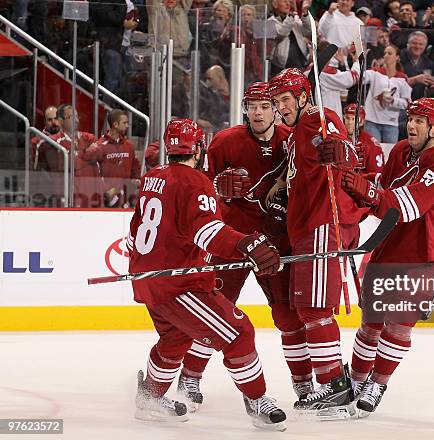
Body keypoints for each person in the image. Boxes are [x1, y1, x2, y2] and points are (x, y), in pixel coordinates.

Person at [128, 117, 287, 429]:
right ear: (198, 148)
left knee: (175, 338)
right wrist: (247, 244)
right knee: (239, 331)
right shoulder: (195, 182)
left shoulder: (151, 177)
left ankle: (149, 397)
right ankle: (256, 401)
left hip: (147, 280)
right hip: (178, 286)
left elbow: (136, 231)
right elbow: (207, 232)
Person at [190, 82, 314, 404]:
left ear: (275, 109)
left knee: (287, 314)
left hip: (273, 240)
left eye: (264, 106)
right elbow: (199, 187)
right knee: (213, 311)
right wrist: (217, 187)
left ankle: (304, 385)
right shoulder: (225, 141)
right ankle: (190, 377)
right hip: (231, 239)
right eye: (252, 106)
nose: (257, 113)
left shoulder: (291, 141)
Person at [339, 98, 434, 416]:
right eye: (411, 119)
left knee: (399, 324)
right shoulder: (400, 152)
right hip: (391, 246)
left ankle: (377, 384)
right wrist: (352, 186)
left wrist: (366, 191)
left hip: (427, 252)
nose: (412, 125)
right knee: (371, 324)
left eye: (421, 120)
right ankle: (355, 381)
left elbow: (409, 205)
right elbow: (381, 195)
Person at [268, 68, 361, 412]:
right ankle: (332, 382)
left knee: (315, 309)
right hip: (305, 228)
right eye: (277, 102)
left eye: (285, 99)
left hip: (323, 224)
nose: (281, 107)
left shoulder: (320, 118)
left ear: (304, 96)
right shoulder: (294, 135)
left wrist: (339, 151)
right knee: (306, 308)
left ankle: (334, 386)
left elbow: (348, 154)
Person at [362, 45, 412, 143]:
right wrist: (360, 60)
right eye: (385, 53)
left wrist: (394, 101)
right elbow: (360, 78)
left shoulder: (402, 78)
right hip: (372, 121)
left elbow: (408, 103)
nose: (386, 56)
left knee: (390, 155)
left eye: (389, 53)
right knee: (374, 153)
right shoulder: (375, 72)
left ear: (397, 57)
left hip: (391, 124)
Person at [92, 109, 142, 207]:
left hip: (128, 197)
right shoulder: (100, 146)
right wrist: (107, 190)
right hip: (107, 198)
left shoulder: (129, 146)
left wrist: (136, 180)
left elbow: (135, 167)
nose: (127, 126)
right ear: (115, 124)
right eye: (124, 123)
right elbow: (95, 173)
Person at [57, 105, 104, 208]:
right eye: (71, 117)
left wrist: (79, 154)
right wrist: (88, 153)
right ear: (60, 121)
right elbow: (71, 164)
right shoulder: (57, 141)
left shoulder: (89, 137)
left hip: (94, 193)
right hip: (73, 195)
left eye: (77, 116)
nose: (76, 120)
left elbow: (100, 154)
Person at [267, 0, 312, 75]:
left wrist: (305, 13)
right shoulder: (269, 22)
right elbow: (281, 34)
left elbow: (308, 31)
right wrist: (291, 16)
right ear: (275, 4)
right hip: (280, 66)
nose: (288, 4)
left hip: (300, 62)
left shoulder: (295, 18)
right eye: (284, 1)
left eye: (289, 1)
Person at [343, 104, 385, 174]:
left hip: (362, 183)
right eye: (347, 118)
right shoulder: (339, 139)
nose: (350, 122)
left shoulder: (371, 144)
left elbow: (376, 175)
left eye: (354, 119)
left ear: (362, 122)